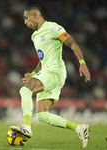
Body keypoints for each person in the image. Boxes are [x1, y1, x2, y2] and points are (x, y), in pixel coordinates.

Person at [10, 5, 91, 148]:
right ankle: (79, 128)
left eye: (26, 18)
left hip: (55, 71)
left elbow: (72, 43)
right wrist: (33, 74)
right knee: (42, 114)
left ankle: (26, 128)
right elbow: (43, 60)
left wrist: (82, 62)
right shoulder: (34, 36)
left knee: (25, 91)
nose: (25, 22)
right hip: (46, 71)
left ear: (36, 15)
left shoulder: (53, 27)